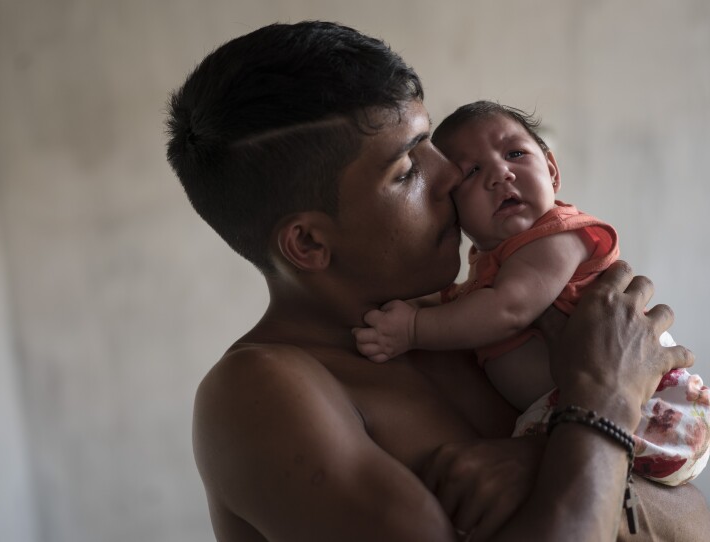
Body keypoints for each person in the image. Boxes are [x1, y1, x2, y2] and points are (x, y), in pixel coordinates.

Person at [166, 21, 710, 541]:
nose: (450, 174)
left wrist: (552, 457)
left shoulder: (470, 317)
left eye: (430, 143)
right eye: (405, 170)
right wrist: (603, 404)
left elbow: (694, 519)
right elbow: (627, 473)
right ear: (308, 244)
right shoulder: (262, 395)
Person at [353, 100, 710, 486]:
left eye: (515, 153)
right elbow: (464, 304)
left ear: (552, 171)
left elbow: (509, 308)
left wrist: (413, 329)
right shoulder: (491, 264)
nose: (500, 174)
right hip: (572, 414)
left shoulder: (556, 235)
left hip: (649, 407)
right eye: (471, 172)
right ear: (451, 211)